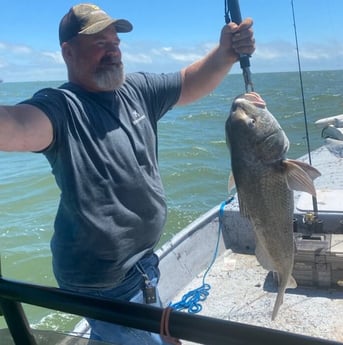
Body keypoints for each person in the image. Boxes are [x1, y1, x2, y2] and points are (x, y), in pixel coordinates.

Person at [0, 3, 255, 345]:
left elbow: (188, 82)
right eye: (100, 43)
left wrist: (225, 53)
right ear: (68, 51)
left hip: (140, 265)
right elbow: (15, 125)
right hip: (105, 280)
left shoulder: (136, 90)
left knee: (161, 336)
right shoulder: (61, 107)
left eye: (116, 42)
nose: (113, 50)